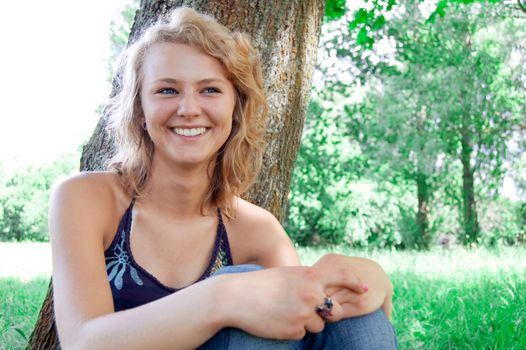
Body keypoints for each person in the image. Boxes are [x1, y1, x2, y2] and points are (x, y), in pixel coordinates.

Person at [49, 6, 397, 349]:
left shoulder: (256, 230)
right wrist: (221, 296)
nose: (188, 109)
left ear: (235, 109)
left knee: (355, 315)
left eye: (210, 90)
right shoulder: (85, 199)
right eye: (167, 90)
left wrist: (366, 284)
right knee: (243, 281)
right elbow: (83, 341)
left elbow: (305, 315)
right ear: (140, 111)